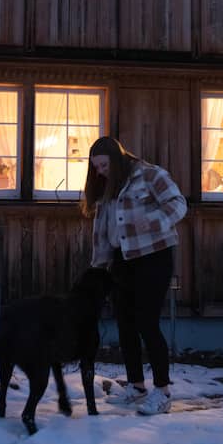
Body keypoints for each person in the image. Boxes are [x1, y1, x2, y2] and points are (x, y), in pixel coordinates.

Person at [82, 136, 187, 415]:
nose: (100, 171)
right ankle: (137, 386)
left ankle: (162, 392)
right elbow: (104, 231)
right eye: (96, 168)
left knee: (147, 322)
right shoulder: (108, 186)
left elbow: (178, 204)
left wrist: (153, 221)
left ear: (116, 160)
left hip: (153, 256)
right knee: (125, 323)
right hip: (122, 260)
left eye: (103, 165)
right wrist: (99, 265)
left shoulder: (150, 175)